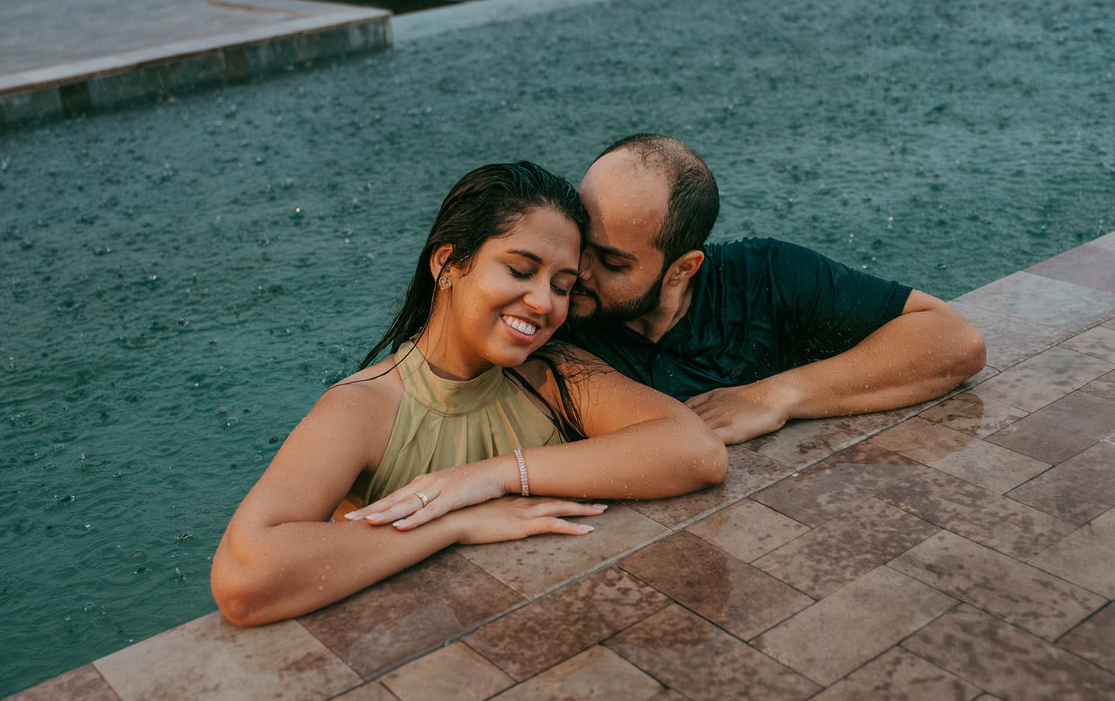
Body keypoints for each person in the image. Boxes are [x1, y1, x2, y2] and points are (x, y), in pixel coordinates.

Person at [211, 161, 728, 627]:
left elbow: (697, 452)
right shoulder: (365, 406)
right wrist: (450, 524)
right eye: (521, 271)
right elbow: (245, 577)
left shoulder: (556, 374)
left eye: (563, 284)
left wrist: (493, 477)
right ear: (448, 264)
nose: (542, 301)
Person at [563, 133, 987, 444]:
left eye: (612, 262)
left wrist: (774, 396)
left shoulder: (765, 278)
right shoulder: (557, 308)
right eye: (580, 243)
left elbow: (953, 341)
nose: (578, 270)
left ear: (683, 269)